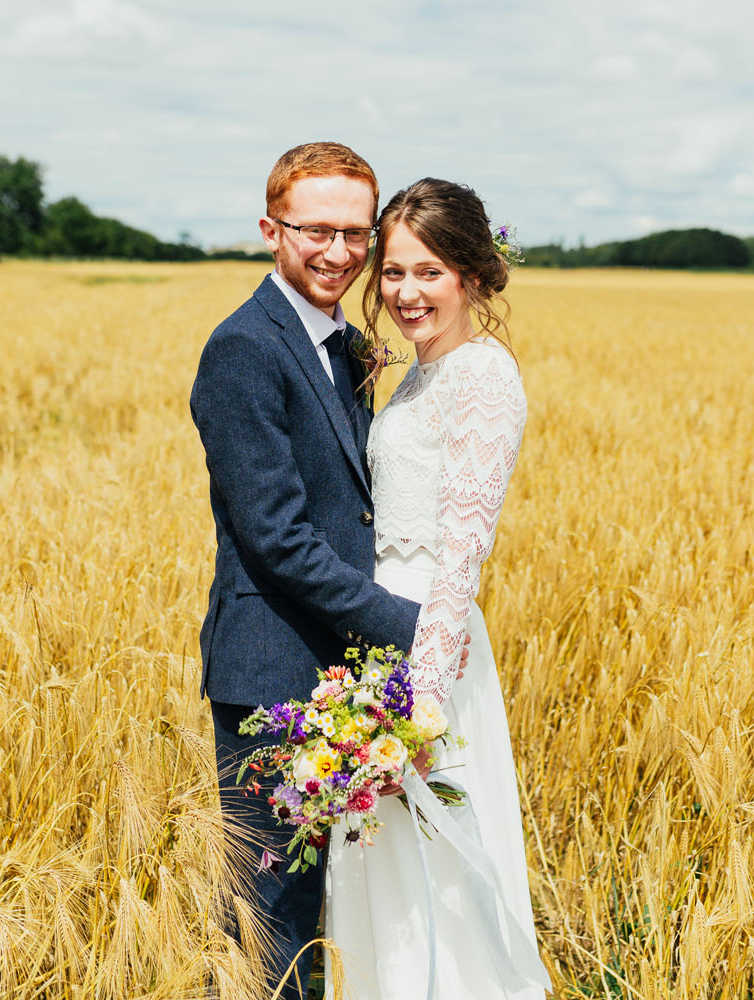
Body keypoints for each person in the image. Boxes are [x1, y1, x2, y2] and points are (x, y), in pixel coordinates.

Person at [189, 141, 422, 1000]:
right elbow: (278, 538)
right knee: (266, 912)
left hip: (342, 668)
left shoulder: (346, 346)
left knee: (327, 903)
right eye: (316, 230)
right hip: (272, 670)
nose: (338, 253)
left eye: (356, 234)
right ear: (269, 230)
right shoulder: (244, 349)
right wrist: (405, 624)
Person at [324, 178, 552, 999]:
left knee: (434, 868)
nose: (406, 292)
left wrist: (420, 700)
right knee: (380, 866)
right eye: (392, 272)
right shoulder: (421, 373)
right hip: (376, 628)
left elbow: (462, 552)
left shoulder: (483, 378)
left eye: (429, 273)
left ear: (472, 277)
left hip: (429, 643)